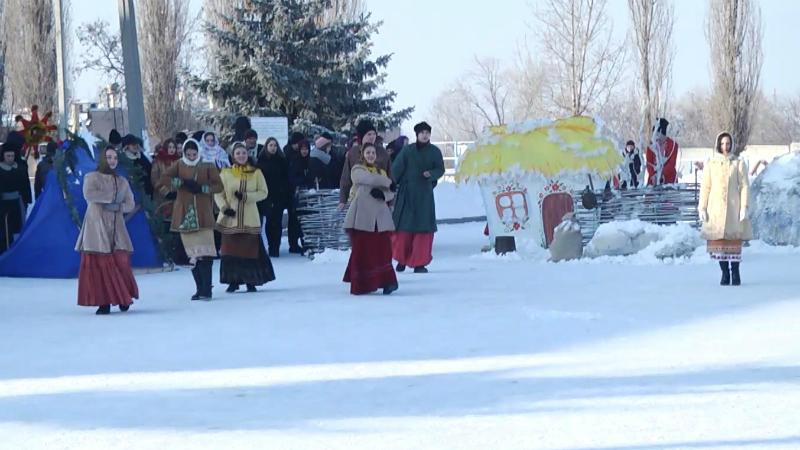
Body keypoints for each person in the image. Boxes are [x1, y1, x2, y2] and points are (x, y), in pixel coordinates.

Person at [75, 146, 138, 315]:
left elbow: (130, 203)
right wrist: (109, 198)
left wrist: (118, 206)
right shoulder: (92, 177)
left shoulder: (122, 181)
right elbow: (89, 194)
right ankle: (104, 302)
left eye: (115, 158)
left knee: (121, 261)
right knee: (99, 264)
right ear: (103, 159)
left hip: (116, 226)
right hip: (97, 225)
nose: (112, 161)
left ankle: (124, 296)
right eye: (109, 157)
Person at [160, 139, 223, 300]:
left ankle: (207, 288)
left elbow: (219, 186)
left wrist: (203, 188)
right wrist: (180, 182)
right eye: (188, 154)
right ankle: (199, 288)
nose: (192, 156)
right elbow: (164, 178)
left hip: (203, 214)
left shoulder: (207, 164)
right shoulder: (180, 164)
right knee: (193, 255)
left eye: (194, 154)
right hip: (185, 215)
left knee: (206, 254)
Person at [216, 142, 276, 292]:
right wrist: (224, 208)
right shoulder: (226, 173)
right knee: (230, 251)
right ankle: (233, 281)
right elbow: (218, 193)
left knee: (249, 250)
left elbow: (264, 192)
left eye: (243, 153)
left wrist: (246, 196)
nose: (241, 156)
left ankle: (251, 280)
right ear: (233, 156)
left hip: (249, 217)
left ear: (247, 155)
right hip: (231, 217)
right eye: (238, 153)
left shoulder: (256, 173)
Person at [343, 143, 398, 295]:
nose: (371, 155)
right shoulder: (358, 169)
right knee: (362, 250)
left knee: (383, 250)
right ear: (363, 155)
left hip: (379, 218)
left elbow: (391, 193)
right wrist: (388, 182)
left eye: (373, 153)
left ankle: (388, 281)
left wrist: (384, 194)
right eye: (368, 152)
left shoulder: (381, 172)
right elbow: (368, 179)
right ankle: (362, 283)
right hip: (362, 217)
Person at [699, 132, 752, 286]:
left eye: (728, 143)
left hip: (733, 209)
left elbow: (744, 186)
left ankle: (735, 271)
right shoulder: (712, 163)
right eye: (722, 144)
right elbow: (705, 187)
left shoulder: (738, 163)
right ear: (718, 145)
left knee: (734, 243)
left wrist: (744, 206)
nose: (725, 147)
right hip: (715, 209)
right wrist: (702, 207)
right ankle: (724, 272)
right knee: (719, 244)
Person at [391, 121, 445, 273]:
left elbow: (440, 169)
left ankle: (419, 263)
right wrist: (392, 183)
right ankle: (401, 259)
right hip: (407, 194)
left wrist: (432, 174)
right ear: (417, 134)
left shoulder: (435, 151)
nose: (425, 135)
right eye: (422, 132)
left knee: (423, 228)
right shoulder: (407, 151)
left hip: (424, 194)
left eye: (427, 132)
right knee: (404, 228)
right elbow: (396, 168)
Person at [338, 120, 391, 208]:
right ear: (362, 136)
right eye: (369, 134)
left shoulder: (382, 153)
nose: (372, 137)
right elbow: (346, 178)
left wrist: (390, 202)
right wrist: (343, 200)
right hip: (358, 199)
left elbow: (389, 177)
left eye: (374, 134)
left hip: (378, 199)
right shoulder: (353, 153)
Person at [151, 138, 187, 264]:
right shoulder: (158, 162)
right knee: (166, 225)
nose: (172, 150)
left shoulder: (179, 161)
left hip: (178, 197)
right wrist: (166, 192)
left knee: (178, 226)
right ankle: (167, 253)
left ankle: (179, 254)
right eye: (169, 147)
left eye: (173, 147)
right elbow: (155, 179)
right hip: (163, 198)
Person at [256, 137, 291, 257]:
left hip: (279, 197)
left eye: (275, 145)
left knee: (276, 223)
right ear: (266, 146)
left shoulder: (282, 161)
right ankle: (267, 246)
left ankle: (275, 247)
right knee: (267, 223)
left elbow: (286, 179)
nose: (273, 148)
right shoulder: (261, 161)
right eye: (271, 145)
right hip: (265, 197)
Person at [0, 144, 32, 253]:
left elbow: (25, 185)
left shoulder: (20, 168)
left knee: (18, 229)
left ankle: (17, 252)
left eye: (12, 156)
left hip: (18, 203)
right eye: (8, 156)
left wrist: (26, 199)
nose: (10, 158)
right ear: (3, 156)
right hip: (4, 205)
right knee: (5, 231)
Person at [287, 139, 313, 253]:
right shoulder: (295, 161)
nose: (304, 151)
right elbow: (291, 178)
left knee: (306, 220)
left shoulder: (310, 161)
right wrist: (302, 180)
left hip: (308, 195)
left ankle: (306, 243)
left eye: (306, 149)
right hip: (296, 195)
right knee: (295, 221)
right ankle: (293, 244)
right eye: (302, 149)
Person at [646, 118, 679, 185]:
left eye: (657, 134)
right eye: (654, 134)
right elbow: (649, 163)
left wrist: (661, 174)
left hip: (669, 179)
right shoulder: (651, 145)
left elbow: (671, 164)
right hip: (653, 180)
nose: (655, 137)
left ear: (663, 133)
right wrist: (653, 175)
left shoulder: (673, 145)